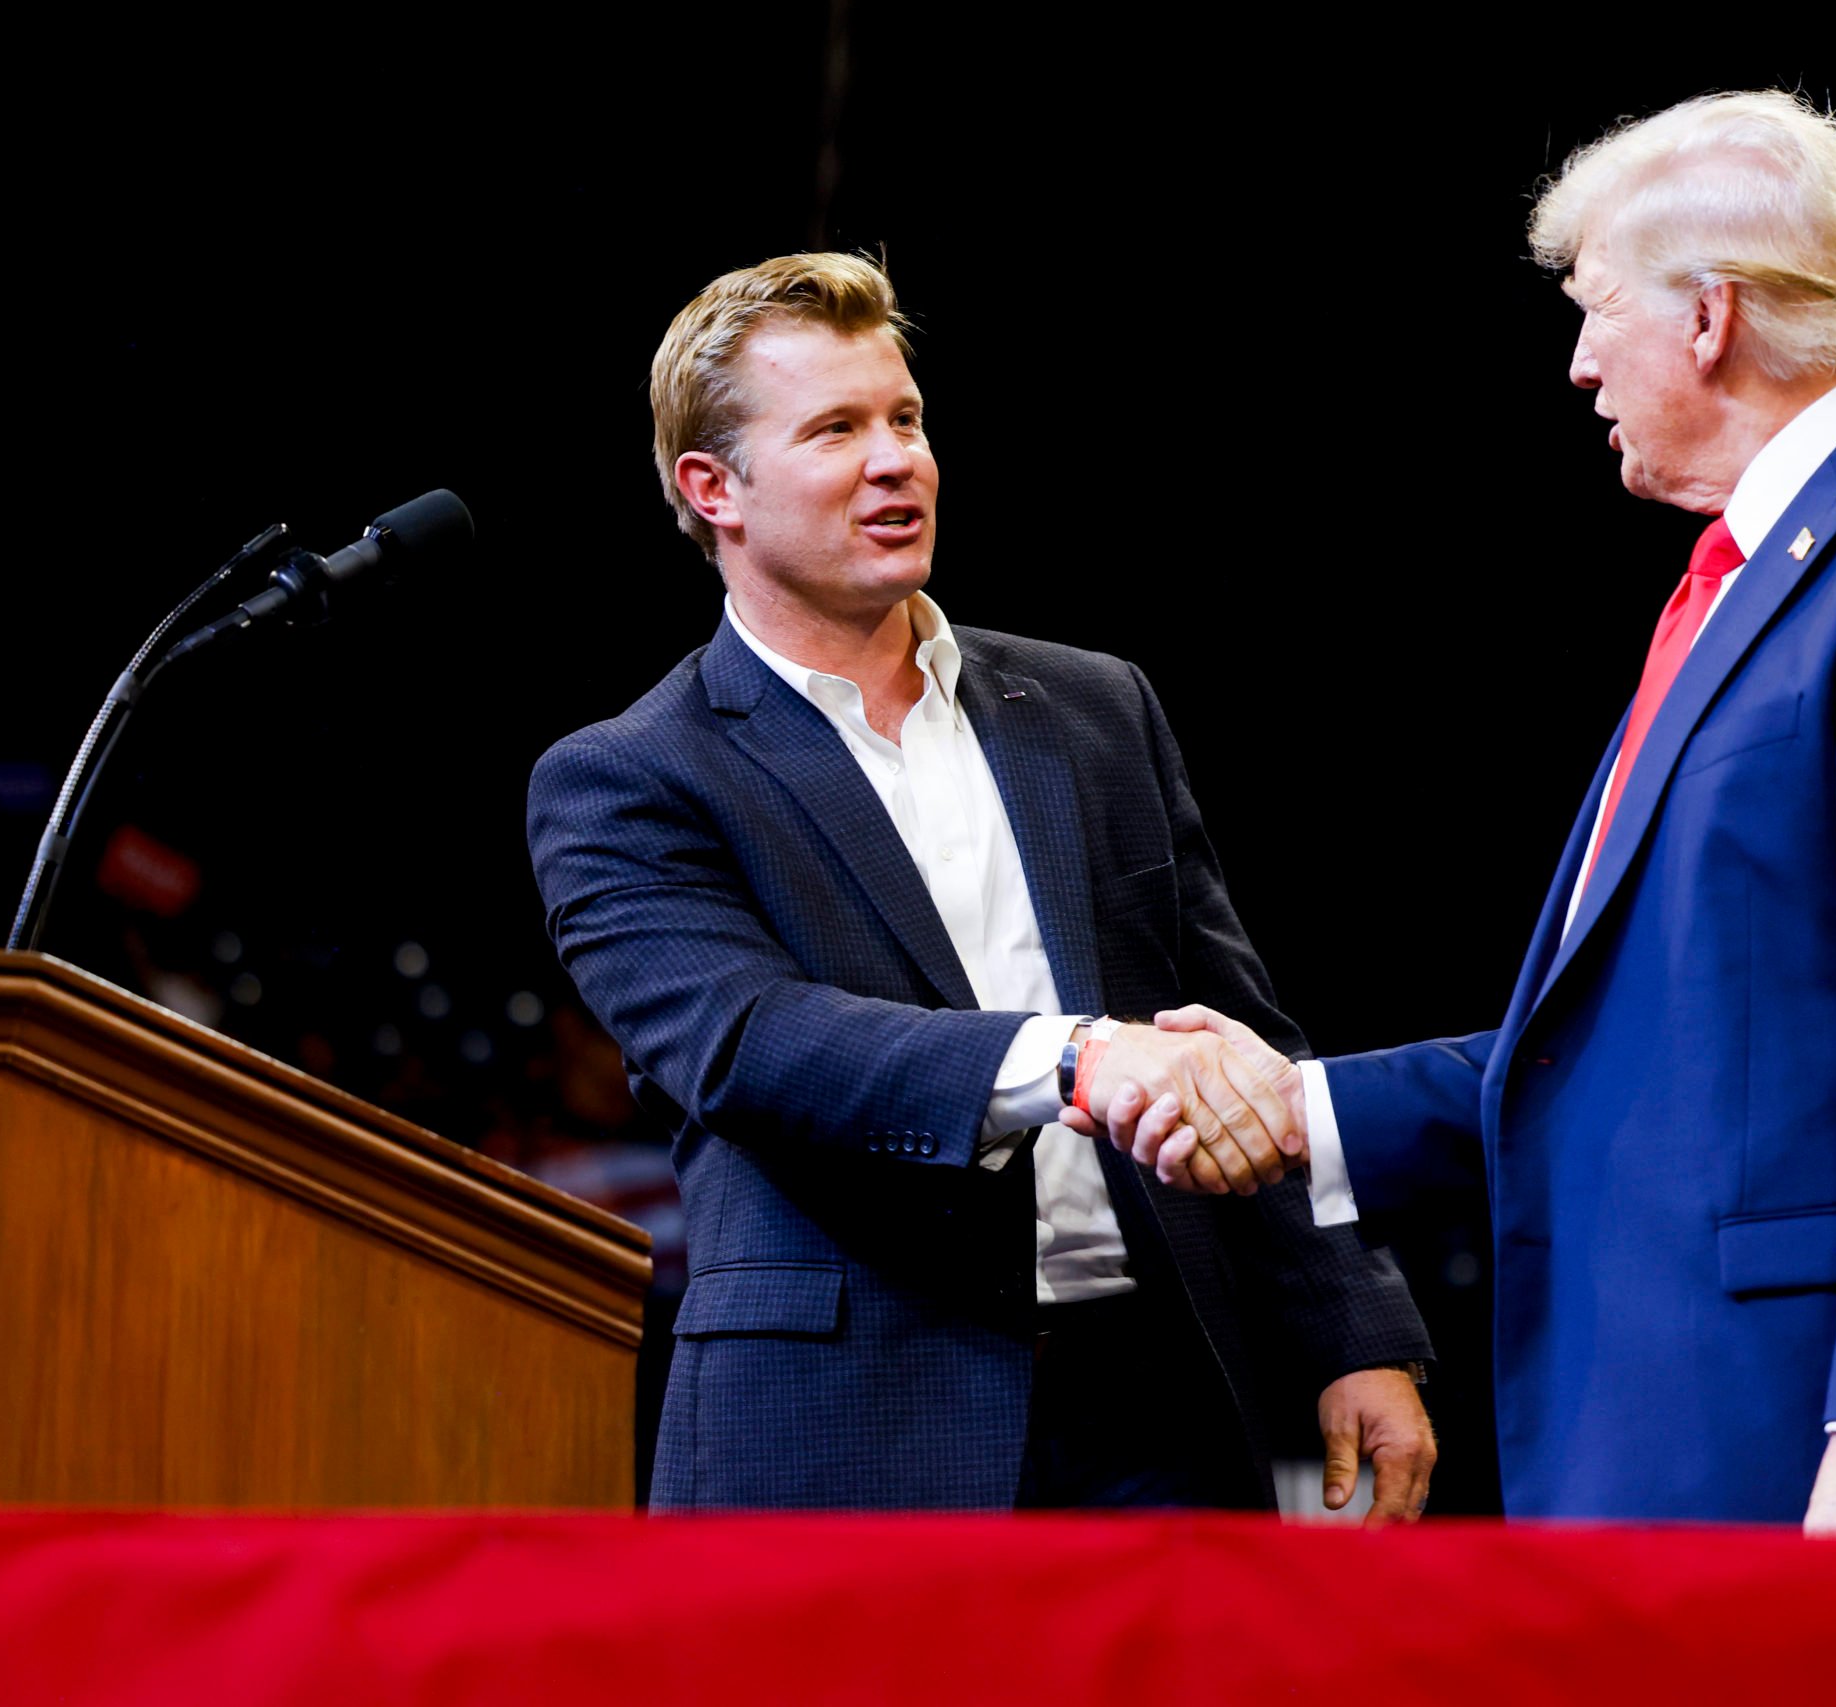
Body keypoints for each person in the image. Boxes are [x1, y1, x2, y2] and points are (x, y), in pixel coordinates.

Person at [1109, 92, 1836, 1532]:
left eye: (1595, 310)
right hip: (1696, 1427)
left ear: (1710, 317)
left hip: (1834, 1433)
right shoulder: (1753, 580)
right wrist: (1299, 1108)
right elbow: (1635, 1041)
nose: (1579, 365)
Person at [526, 253, 1434, 1517]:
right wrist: (1072, 1060)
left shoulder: (1091, 707)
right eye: (836, 429)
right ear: (711, 488)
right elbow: (751, 1044)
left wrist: (1352, 1327)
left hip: (1162, 1415)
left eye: (904, 418)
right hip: (844, 1433)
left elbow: (1238, 1038)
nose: (896, 459)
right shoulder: (627, 777)